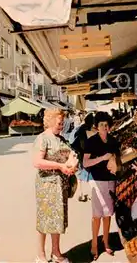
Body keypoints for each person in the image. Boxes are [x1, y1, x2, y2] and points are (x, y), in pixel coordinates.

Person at [33, 108, 78, 263]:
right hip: (46, 186)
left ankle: (56, 252)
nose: (61, 126)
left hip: (60, 185)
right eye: (59, 123)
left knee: (57, 219)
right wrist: (59, 166)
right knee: (44, 220)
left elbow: (71, 156)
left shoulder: (61, 139)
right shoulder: (43, 138)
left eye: (62, 123)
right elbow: (37, 162)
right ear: (51, 121)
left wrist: (72, 166)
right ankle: (40, 255)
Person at [84, 111, 120, 259]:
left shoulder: (113, 141)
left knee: (107, 214)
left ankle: (106, 243)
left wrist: (115, 163)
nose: (104, 127)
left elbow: (118, 160)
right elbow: (85, 163)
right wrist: (101, 158)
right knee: (97, 215)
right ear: (96, 126)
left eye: (106, 125)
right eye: (101, 125)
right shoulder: (91, 141)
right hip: (97, 181)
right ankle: (94, 244)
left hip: (110, 181)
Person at [69, 113, 96, 202]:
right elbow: (83, 144)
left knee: (83, 174)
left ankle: (82, 193)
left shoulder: (84, 128)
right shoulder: (83, 129)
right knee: (86, 173)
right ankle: (84, 193)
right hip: (80, 154)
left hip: (79, 153)